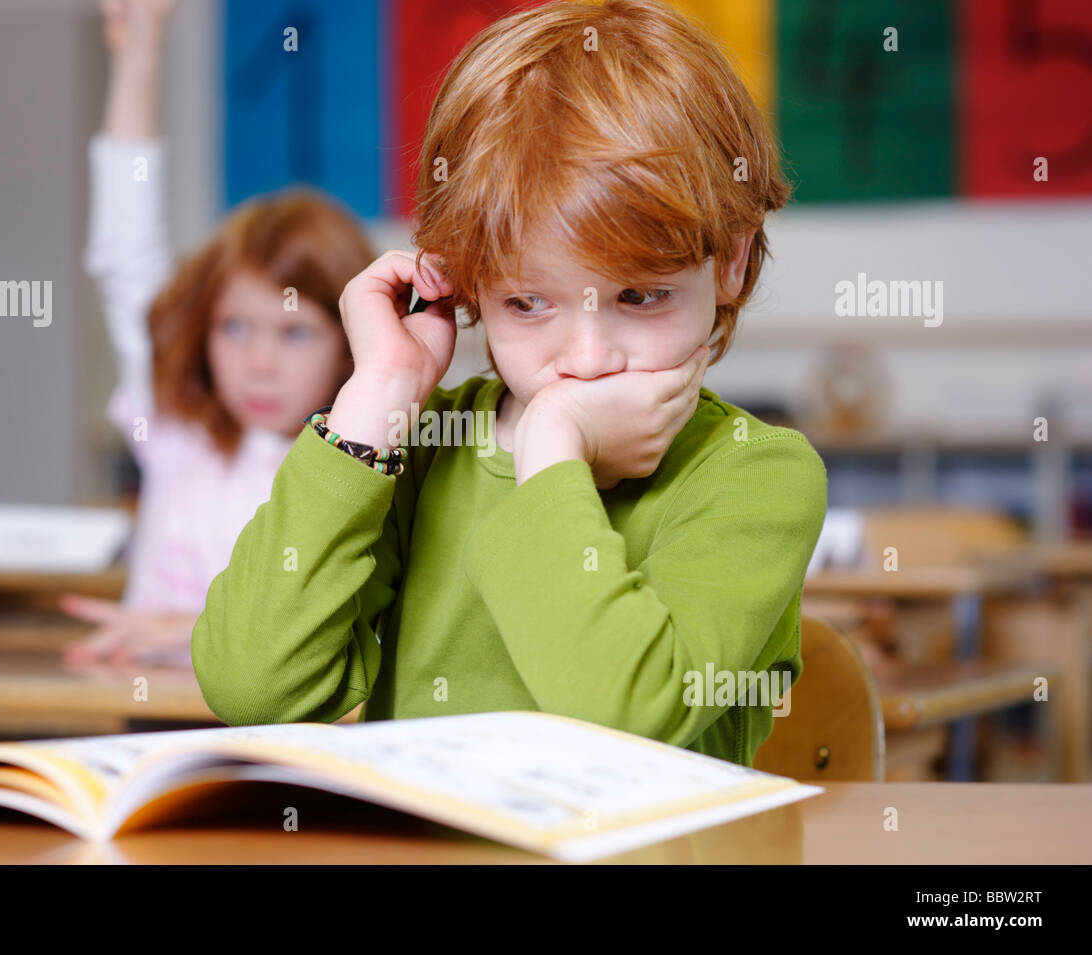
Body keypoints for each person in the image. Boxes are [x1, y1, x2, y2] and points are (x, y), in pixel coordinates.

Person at [191, 0, 827, 766]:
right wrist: (377, 395)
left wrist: (551, 447)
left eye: (639, 296)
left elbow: (625, 717)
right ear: (466, 287)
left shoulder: (756, 474)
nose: (587, 359)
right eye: (528, 303)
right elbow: (252, 687)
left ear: (728, 261)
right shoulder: (427, 450)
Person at [63, 0, 375, 665]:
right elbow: (126, 252)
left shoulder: (357, 470)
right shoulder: (178, 429)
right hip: (146, 717)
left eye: (294, 334)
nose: (258, 363)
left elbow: (358, 636)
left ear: (352, 346)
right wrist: (141, 50)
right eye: (234, 327)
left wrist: (190, 629)